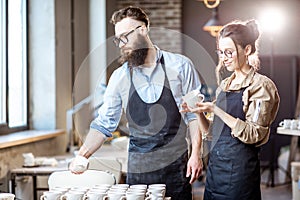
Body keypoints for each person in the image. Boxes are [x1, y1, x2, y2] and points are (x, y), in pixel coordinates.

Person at [69, 6, 203, 199]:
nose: (121, 44)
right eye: (118, 39)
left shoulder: (180, 66)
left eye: (125, 36)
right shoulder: (119, 77)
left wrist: (196, 154)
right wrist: (82, 155)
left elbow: (193, 115)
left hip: (176, 168)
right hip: (139, 171)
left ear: (142, 29)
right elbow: (104, 124)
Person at [181, 19, 280, 200]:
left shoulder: (261, 86)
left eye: (229, 52)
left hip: (240, 177)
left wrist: (216, 109)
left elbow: (254, 134)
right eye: (220, 52)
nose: (224, 58)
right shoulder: (226, 85)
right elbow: (212, 133)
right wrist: (198, 112)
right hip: (216, 172)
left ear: (247, 50)